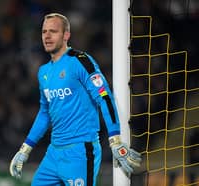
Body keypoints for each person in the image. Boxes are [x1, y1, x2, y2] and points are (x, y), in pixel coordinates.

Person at [9, 13, 141, 186]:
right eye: (44, 32)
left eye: (53, 31)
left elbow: (104, 97)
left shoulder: (81, 62)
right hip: (54, 153)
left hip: (80, 151)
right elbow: (44, 113)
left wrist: (115, 140)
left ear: (66, 35)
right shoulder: (43, 72)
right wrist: (25, 148)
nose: (47, 36)